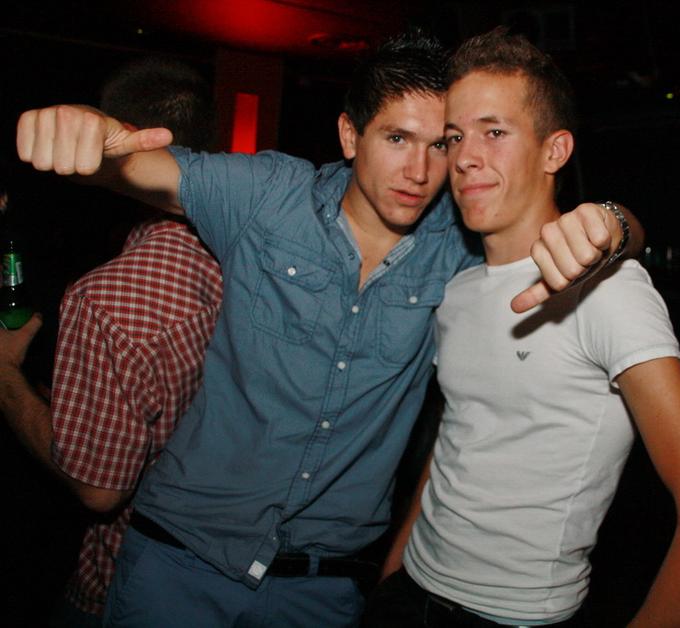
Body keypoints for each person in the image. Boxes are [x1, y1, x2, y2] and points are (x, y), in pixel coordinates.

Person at [15, 30, 642, 627]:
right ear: (350, 134)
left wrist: (616, 223)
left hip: (322, 591)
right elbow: (134, 166)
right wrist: (82, 127)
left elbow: (578, 229)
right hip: (181, 564)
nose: (419, 171)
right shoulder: (268, 196)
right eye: (397, 138)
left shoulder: (458, 243)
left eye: (440, 145)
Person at [366, 27, 680, 627]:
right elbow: (461, 435)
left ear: (554, 152)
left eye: (494, 132)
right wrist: (396, 569)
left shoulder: (607, 289)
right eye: (455, 137)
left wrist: (616, 222)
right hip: (410, 592)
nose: (465, 157)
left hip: (514, 616)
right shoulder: (459, 290)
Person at [0, 57, 222, 627]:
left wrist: (5, 378)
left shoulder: (107, 298)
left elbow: (98, 489)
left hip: (122, 583)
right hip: (211, 573)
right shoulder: (243, 251)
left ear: (110, 140)